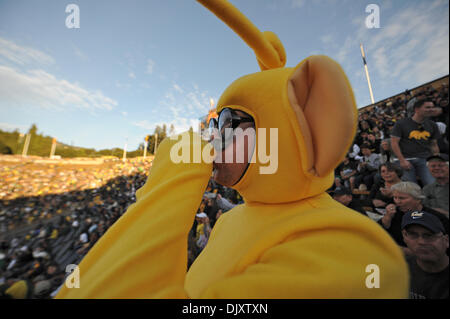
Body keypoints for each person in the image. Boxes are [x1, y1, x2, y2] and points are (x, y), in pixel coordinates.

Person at [56, 0, 408, 299]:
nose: (212, 136)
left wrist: (171, 179)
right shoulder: (233, 218)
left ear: (289, 132)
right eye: (212, 124)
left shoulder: (351, 248)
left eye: (227, 121)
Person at [379, 181, 448, 251]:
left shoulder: (434, 217)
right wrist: (387, 218)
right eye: (395, 197)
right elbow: (378, 232)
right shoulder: (394, 213)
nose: (397, 201)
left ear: (417, 199)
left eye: (402, 198)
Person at [390, 98, 440, 186]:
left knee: (432, 184)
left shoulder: (432, 125)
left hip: (424, 159)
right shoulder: (401, 123)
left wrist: (436, 160)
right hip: (405, 159)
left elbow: (434, 144)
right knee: (412, 187)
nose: (431, 109)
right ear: (416, 109)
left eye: (432, 107)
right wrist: (402, 160)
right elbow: (394, 143)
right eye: (427, 107)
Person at [401, 211, 448, 299]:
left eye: (429, 235)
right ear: (405, 238)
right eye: (413, 235)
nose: (421, 242)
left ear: (446, 240)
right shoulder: (400, 269)